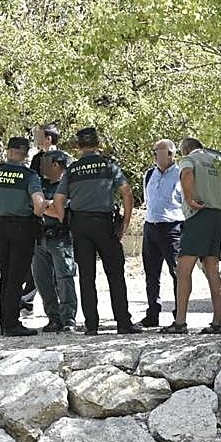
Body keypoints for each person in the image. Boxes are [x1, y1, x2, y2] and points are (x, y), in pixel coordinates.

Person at [50, 127, 142, 336]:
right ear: (98, 144)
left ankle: (91, 325)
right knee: (115, 274)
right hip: (104, 224)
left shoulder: (73, 170)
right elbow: (126, 193)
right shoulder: (109, 166)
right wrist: (125, 224)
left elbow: (58, 200)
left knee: (86, 276)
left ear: (79, 146)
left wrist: (66, 219)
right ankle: (123, 323)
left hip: (80, 225)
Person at [0, 136, 47, 337]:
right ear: (25, 154)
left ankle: (4, 320)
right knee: (17, 276)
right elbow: (39, 202)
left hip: (1, 226)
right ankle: (11, 323)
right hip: (22, 227)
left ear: (9, 151)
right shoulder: (29, 175)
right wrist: (35, 216)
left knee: (6, 275)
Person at [162, 137, 221, 334]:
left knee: (184, 269)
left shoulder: (189, 160)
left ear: (185, 150)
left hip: (198, 215)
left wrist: (190, 199)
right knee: (212, 268)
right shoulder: (218, 161)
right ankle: (218, 322)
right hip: (217, 216)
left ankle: (180, 322)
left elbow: (187, 173)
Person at [31, 150, 78, 333]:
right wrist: (47, 205)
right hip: (40, 238)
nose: (41, 167)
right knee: (42, 280)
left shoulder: (69, 185)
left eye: (45, 163)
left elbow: (62, 212)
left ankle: (68, 319)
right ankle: (53, 318)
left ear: (56, 165)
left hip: (61, 238)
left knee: (64, 279)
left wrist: (43, 206)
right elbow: (33, 204)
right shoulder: (38, 184)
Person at [140, 138, 184, 328]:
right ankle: (152, 313)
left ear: (170, 154)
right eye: (154, 151)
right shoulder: (149, 174)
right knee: (151, 274)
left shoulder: (181, 174)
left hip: (172, 228)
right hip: (151, 227)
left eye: (158, 151)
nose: (155, 155)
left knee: (177, 273)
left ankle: (179, 314)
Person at [18, 123, 60, 317]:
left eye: (39, 136)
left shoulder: (63, 159)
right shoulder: (36, 159)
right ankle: (28, 300)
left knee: (58, 267)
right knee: (36, 263)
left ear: (49, 139)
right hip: (39, 217)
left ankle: (59, 309)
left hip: (57, 218)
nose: (36, 139)